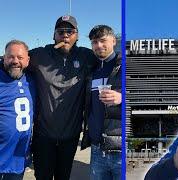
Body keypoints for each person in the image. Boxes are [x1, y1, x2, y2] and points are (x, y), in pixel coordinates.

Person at [28, 15, 96, 180]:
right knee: (43, 176)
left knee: (63, 176)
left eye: (70, 31)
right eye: (61, 31)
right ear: (54, 35)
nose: (65, 35)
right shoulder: (39, 55)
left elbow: (110, 63)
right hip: (43, 135)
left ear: (77, 35)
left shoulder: (87, 56)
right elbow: (12, 61)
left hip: (71, 136)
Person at [81, 25, 122, 180]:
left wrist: (122, 98)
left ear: (113, 40)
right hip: (97, 148)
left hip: (120, 149)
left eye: (103, 40)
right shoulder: (92, 70)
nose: (98, 45)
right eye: (94, 42)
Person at [0, 40, 35, 180]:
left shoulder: (32, 81)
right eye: (10, 57)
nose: (15, 61)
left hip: (18, 160)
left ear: (27, 60)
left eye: (20, 57)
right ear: (4, 58)